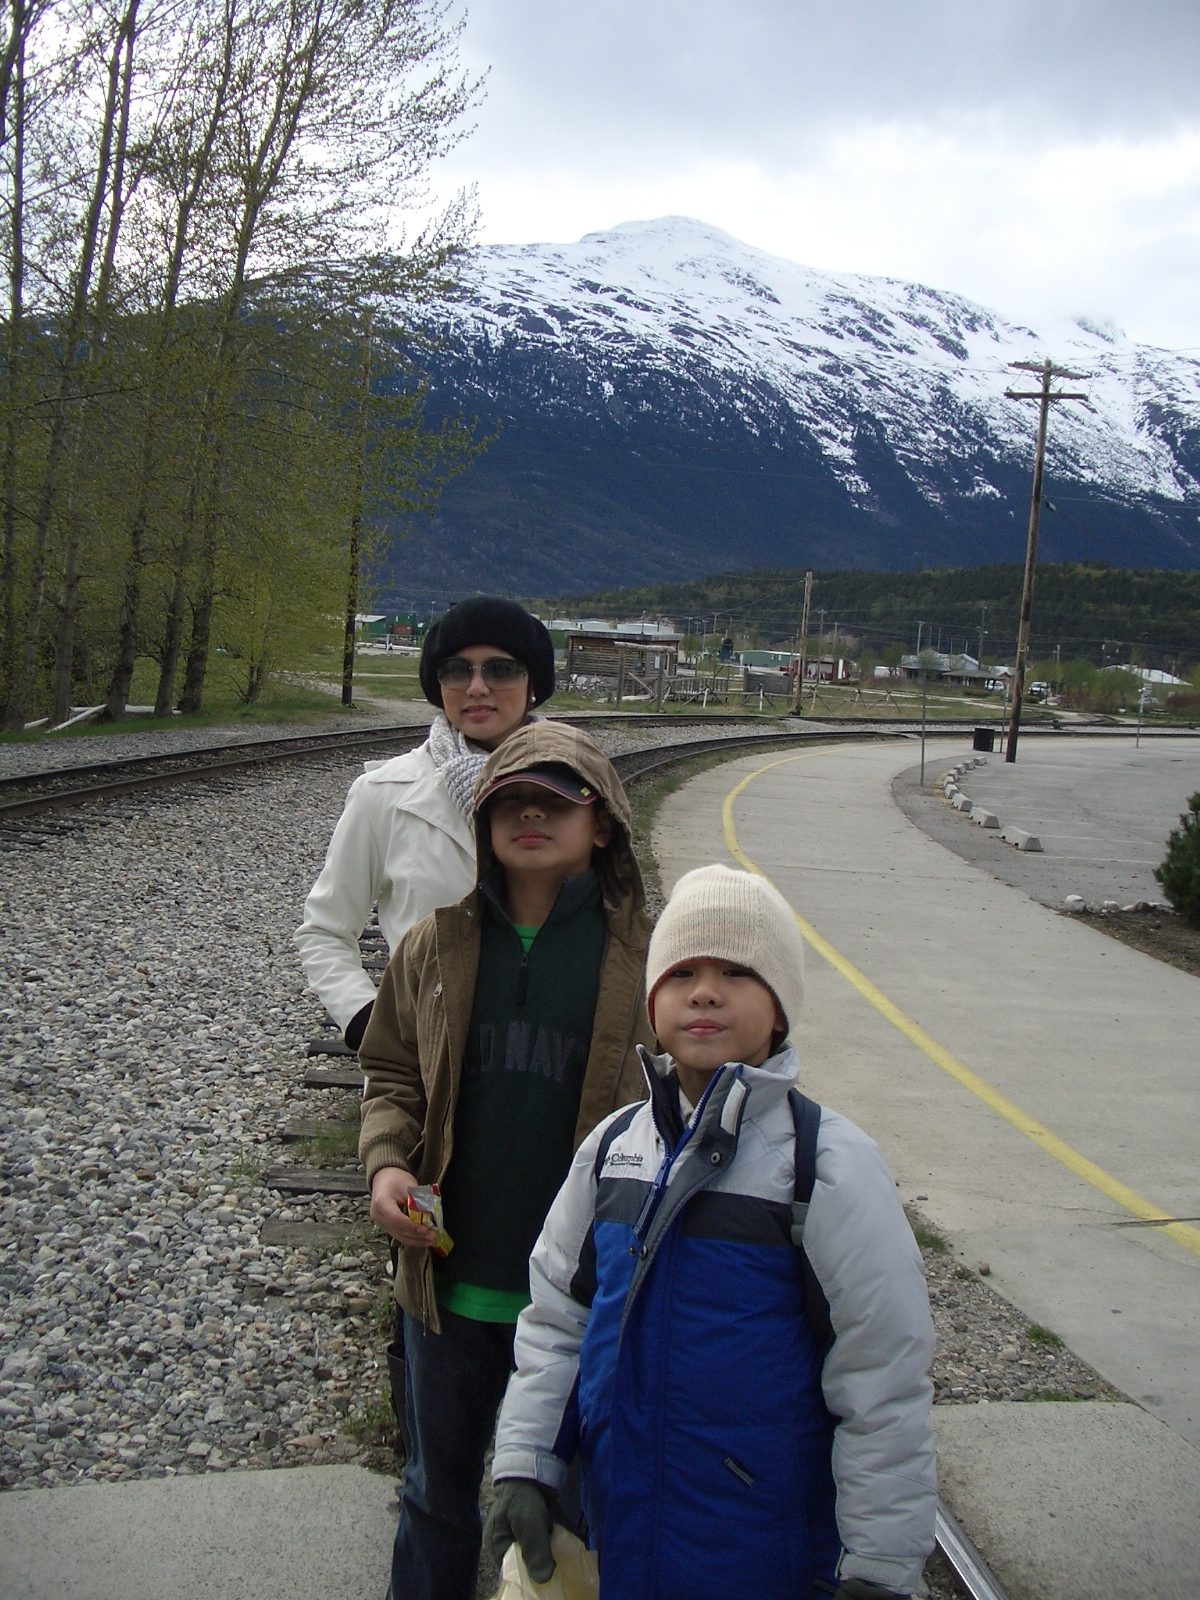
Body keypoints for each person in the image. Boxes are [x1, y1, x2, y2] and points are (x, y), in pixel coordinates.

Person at [485, 863, 936, 1600]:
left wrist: (880, 1568)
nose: (704, 991)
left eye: (736, 972)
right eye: (683, 972)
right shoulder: (612, 1150)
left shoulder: (825, 1166)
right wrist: (527, 1464)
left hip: (761, 1556)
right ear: (653, 1000)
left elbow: (881, 1377)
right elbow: (558, 1320)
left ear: (780, 1010)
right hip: (621, 1540)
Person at [358, 721, 655, 1600]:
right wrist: (386, 1166)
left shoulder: (646, 962)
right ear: (484, 826)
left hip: (583, 1298)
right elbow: (391, 1073)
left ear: (601, 825)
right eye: (509, 803)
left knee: (569, 1511)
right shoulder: (432, 947)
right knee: (435, 1497)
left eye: (555, 801)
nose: (530, 816)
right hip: (449, 1285)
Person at [293, 597, 556, 1053]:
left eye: (501, 670)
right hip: (427, 1057)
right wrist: (365, 1020)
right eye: (457, 671)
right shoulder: (384, 793)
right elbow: (325, 931)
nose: (477, 687)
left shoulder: (577, 790)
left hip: (550, 1051)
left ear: (533, 682)